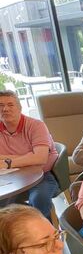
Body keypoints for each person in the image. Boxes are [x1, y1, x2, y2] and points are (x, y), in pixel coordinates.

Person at [0, 90, 59, 219]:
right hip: (11, 177)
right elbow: (34, 156)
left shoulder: (36, 125)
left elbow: (40, 158)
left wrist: (7, 162)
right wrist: (28, 156)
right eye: (0, 105)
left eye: (10, 105)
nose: (5, 109)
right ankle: (11, 236)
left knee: (39, 198)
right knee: (4, 206)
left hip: (42, 175)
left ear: (19, 108)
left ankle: (44, 236)